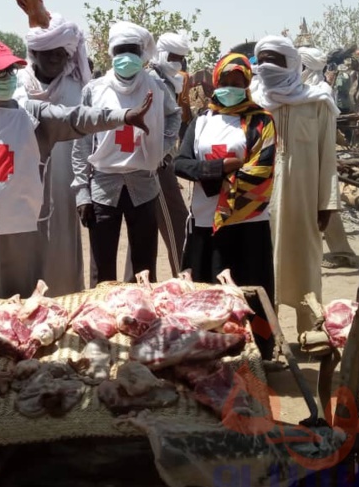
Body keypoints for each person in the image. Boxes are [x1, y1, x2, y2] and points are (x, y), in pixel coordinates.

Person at [0, 39, 153, 299]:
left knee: (21, 306)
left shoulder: (31, 115)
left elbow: (75, 117)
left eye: (10, 71)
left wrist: (123, 116)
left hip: (21, 232)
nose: (7, 78)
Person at [174, 53, 277, 359]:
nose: (231, 87)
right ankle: (210, 358)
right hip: (207, 224)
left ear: (247, 84)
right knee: (207, 296)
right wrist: (220, 169)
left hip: (248, 223)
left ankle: (261, 357)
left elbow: (262, 169)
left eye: (238, 82)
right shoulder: (201, 120)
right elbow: (181, 163)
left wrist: (214, 175)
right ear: (216, 82)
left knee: (252, 293)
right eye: (226, 81)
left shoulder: (262, 120)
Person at [250, 35, 340, 336]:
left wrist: (327, 203)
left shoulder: (318, 101)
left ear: (290, 63)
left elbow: (328, 155)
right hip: (260, 201)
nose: (266, 67)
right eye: (261, 60)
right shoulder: (252, 101)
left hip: (304, 199)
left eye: (273, 61)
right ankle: (268, 341)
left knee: (306, 267)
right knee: (263, 268)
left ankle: (310, 334)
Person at [72, 22, 171, 284]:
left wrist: (162, 147)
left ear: (141, 54)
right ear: (112, 53)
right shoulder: (94, 90)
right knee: (101, 269)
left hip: (144, 185)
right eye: (121, 50)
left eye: (132, 50)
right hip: (104, 187)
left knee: (144, 269)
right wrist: (82, 191)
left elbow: (172, 116)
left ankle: (140, 320)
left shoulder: (157, 87)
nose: (126, 57)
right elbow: (81, 142)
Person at [14, 14, 93, 296]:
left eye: (60, 53)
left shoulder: (77, 89)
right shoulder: (18, 86)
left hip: (65, 182)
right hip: (25, 180)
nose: (54, 58)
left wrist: (84, 187)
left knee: (63, 246)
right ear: (35, 52)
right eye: (48, 52)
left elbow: (86, 140)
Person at [141, 31, 187, 276]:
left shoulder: (169, 80)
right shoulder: (153, 80)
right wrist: (160, 153)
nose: (176, 63)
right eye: (173, 57)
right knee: (176, 222)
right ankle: (184, 277)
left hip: (163, 158)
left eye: (180, 58)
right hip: (155, 162)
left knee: (147, 228)